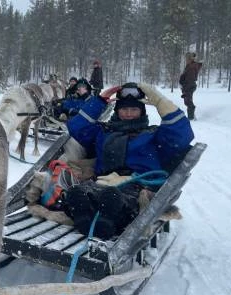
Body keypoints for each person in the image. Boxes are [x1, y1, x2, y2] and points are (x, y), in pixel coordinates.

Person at [58, 82, 195, 239]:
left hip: (138, 185)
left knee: (112, 197)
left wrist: (159, 101)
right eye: (124, 109)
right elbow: (77, 127)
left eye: (134, 109)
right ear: (117, 110)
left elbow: (182, 135)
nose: (128, 113)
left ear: (141, 111)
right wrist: (100, 100)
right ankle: (85, 222)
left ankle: (107, 225)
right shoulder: (103, 132)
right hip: (100, 182)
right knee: (76, 193)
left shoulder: (154, 135)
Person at [179, 52, 203, 120]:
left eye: (187, 58)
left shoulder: (191, 67)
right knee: (188, 101)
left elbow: (189, 78)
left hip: (189, 85)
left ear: (190, 59)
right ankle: (192, 116)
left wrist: (184, 86)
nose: (186, 60)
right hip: (188, 85)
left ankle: (191, 118)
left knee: (188, 102)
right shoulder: (190, 65)